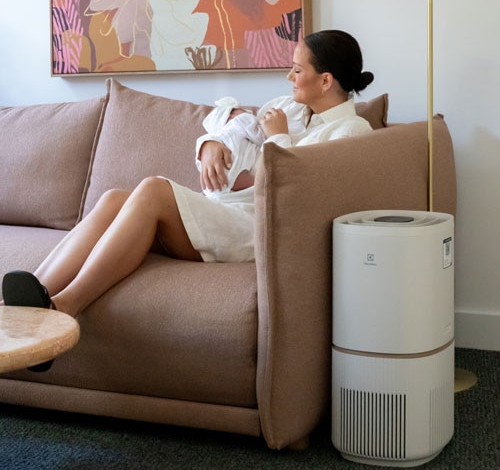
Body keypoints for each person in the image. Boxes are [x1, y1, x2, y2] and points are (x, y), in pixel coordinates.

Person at [1, 29, 374, 369]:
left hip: (256, 227)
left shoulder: (352, 131)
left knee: (153, 190)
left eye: (296, 70)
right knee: (116, 197)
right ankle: (25, 303)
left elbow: (297, 193)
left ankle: (65, 308)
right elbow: (237, 125)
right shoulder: (293, 108)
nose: (288, 78)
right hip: (230, 211)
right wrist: (212, 144)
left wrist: (277, 138)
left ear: (325, 80)